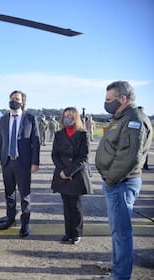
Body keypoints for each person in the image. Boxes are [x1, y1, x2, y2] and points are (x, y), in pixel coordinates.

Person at [95, 81, 152, 280]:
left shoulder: (134, 120)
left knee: (122, 233)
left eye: (109, 100)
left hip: (121, 183)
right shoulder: (121, 117)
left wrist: (110, 179)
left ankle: (120, 276)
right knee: (117, 231)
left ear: (123, 99)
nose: (106, 103)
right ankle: (116, 266)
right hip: (116, 182)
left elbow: (129, 157)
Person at [0, 90, 40, 237]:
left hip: (23, 163)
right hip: (7, 162)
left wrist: (35, 162)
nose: (13, 101)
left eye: (17, 99)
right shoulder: (3, 119)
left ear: (23, 102)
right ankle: (10, 219)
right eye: (12, 98)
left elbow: (36, 142)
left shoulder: (30, 119)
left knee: (24, 195)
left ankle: (25, 224)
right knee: (9, 194)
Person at [51, 107, 92, 245]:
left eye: (70, 116)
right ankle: (68, 232)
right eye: (65, 116)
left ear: (76, 118)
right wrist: (62, 171)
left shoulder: (82, 135)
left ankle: (76, 233)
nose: (67, 118)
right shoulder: (59, 134)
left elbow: (83, 157)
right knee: (66, 205)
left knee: (75, 206)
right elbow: (55, 154)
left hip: (76, 174)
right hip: (61, 174)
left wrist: (69, 172)